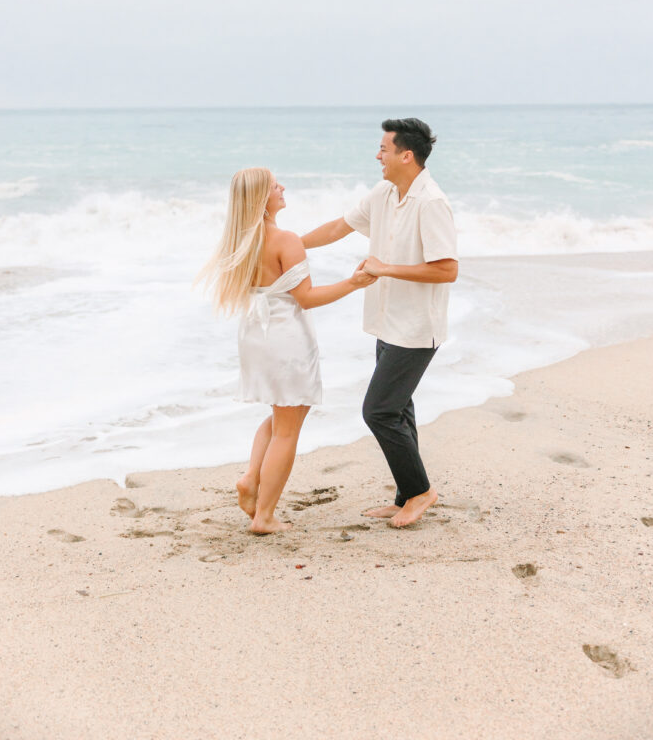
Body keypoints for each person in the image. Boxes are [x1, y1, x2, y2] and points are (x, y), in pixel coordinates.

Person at [196, 167, 375, 535]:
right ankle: (264, 516)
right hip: (285, 337)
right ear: (262, 197)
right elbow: (306, 299)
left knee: (284, 415)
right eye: (276, 185)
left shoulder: (240, 241)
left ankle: (250, 479)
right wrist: (354, 283)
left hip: (256, 336)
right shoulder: (284, 239)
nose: (282, 188)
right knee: (287, 429)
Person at [301, 117, 458, 528]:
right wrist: (289, 244)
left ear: (407, 155)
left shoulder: (431, 203)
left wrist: (386, 268)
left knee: (379, 411)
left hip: (417, 328)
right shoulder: (385, 192)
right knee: (399, 410)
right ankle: (408, 494)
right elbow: (340, 226)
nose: (378, 156)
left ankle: (421, 492)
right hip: (387, 321)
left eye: (384, 149)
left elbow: (446, 270)